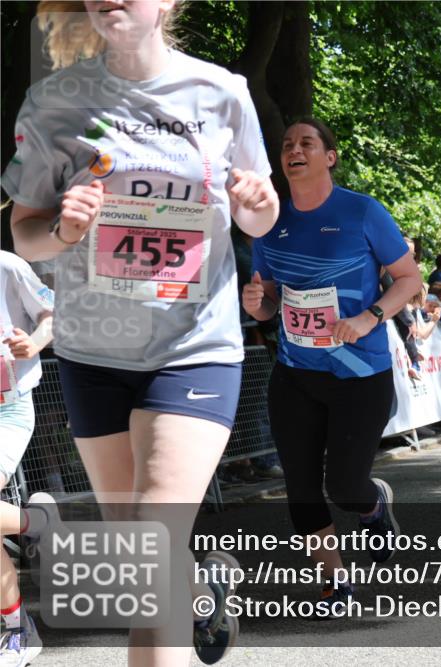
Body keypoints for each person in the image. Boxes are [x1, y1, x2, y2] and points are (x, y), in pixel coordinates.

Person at [3, 2, 279, 664]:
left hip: (193, 348)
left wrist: (257, 207)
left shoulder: (223, 93)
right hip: (93, 351)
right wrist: (64, 229)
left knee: (150, 554)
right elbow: (26, 231)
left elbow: (260, 216)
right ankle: (203, 589)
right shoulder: (52, 102)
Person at [244, 118, 421, 613]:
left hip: (359, 374)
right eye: (287, 144)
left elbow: (409, 279)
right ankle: (335, 580)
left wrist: (371, 316)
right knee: (300, 486)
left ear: (330, 156)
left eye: (307, 143)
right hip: (296, 373)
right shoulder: (269, 221)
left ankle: (373, 506)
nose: (294, 150)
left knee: (344, 486)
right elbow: (268, 304)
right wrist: (255, 300)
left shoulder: (362, 212)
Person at [0, 251, 55, 667]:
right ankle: (36, 524)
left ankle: (17, 630)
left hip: (7, 409)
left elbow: (54, 315)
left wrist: (32, 343)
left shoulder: (7, 266)